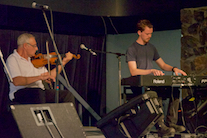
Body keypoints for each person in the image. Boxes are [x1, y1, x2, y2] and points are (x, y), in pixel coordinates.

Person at [126, 19, 187, 137]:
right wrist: (151, 70)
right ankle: (160, 126)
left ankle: (171, 123)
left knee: (174, 91)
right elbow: (133, 71)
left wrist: (174, 68)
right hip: (139, 84)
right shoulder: (132, 49)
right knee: (155, 93)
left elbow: (163, 65)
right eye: (147, 34)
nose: (149, 36)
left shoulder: (151, 48)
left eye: (151, 34)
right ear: (139, 32)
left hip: (152, 82)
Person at [6, 33, 75, 105]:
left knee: (66, 95)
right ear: (25, 46)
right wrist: (39, 77)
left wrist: (63, 62)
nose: (37, 49)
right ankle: (42, 115)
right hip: (20, 93)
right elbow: (16, 81)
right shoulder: (13, 59)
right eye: (34, 46)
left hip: (40, 92)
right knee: (38, 93)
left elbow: (49, 75)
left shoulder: (35, 60)